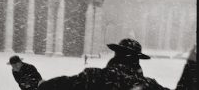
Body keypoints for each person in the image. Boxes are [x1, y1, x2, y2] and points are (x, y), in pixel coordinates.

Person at [38, 38, 169, 90]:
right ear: (137, 60)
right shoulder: (149, 85)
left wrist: (43, 85)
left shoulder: (95, 77)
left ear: (116, 55)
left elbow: (64, 83)